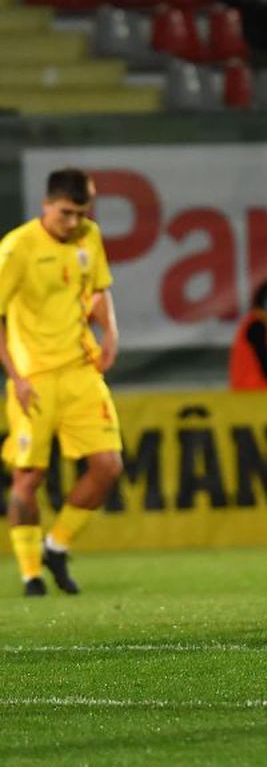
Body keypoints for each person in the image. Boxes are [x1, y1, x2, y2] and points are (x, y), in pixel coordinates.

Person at [0, 169, 125, 597]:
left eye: (80, 214)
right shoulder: (16, 249)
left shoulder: (89, 235)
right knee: (28, 477)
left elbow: (98, 290)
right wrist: (14, 376)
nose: (73, 223)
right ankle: (31, 573)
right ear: (46, 205)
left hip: (79, 371)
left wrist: (110, 333)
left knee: (108, 466)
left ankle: (57, 545)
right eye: (66, 213)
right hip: (32, 378)